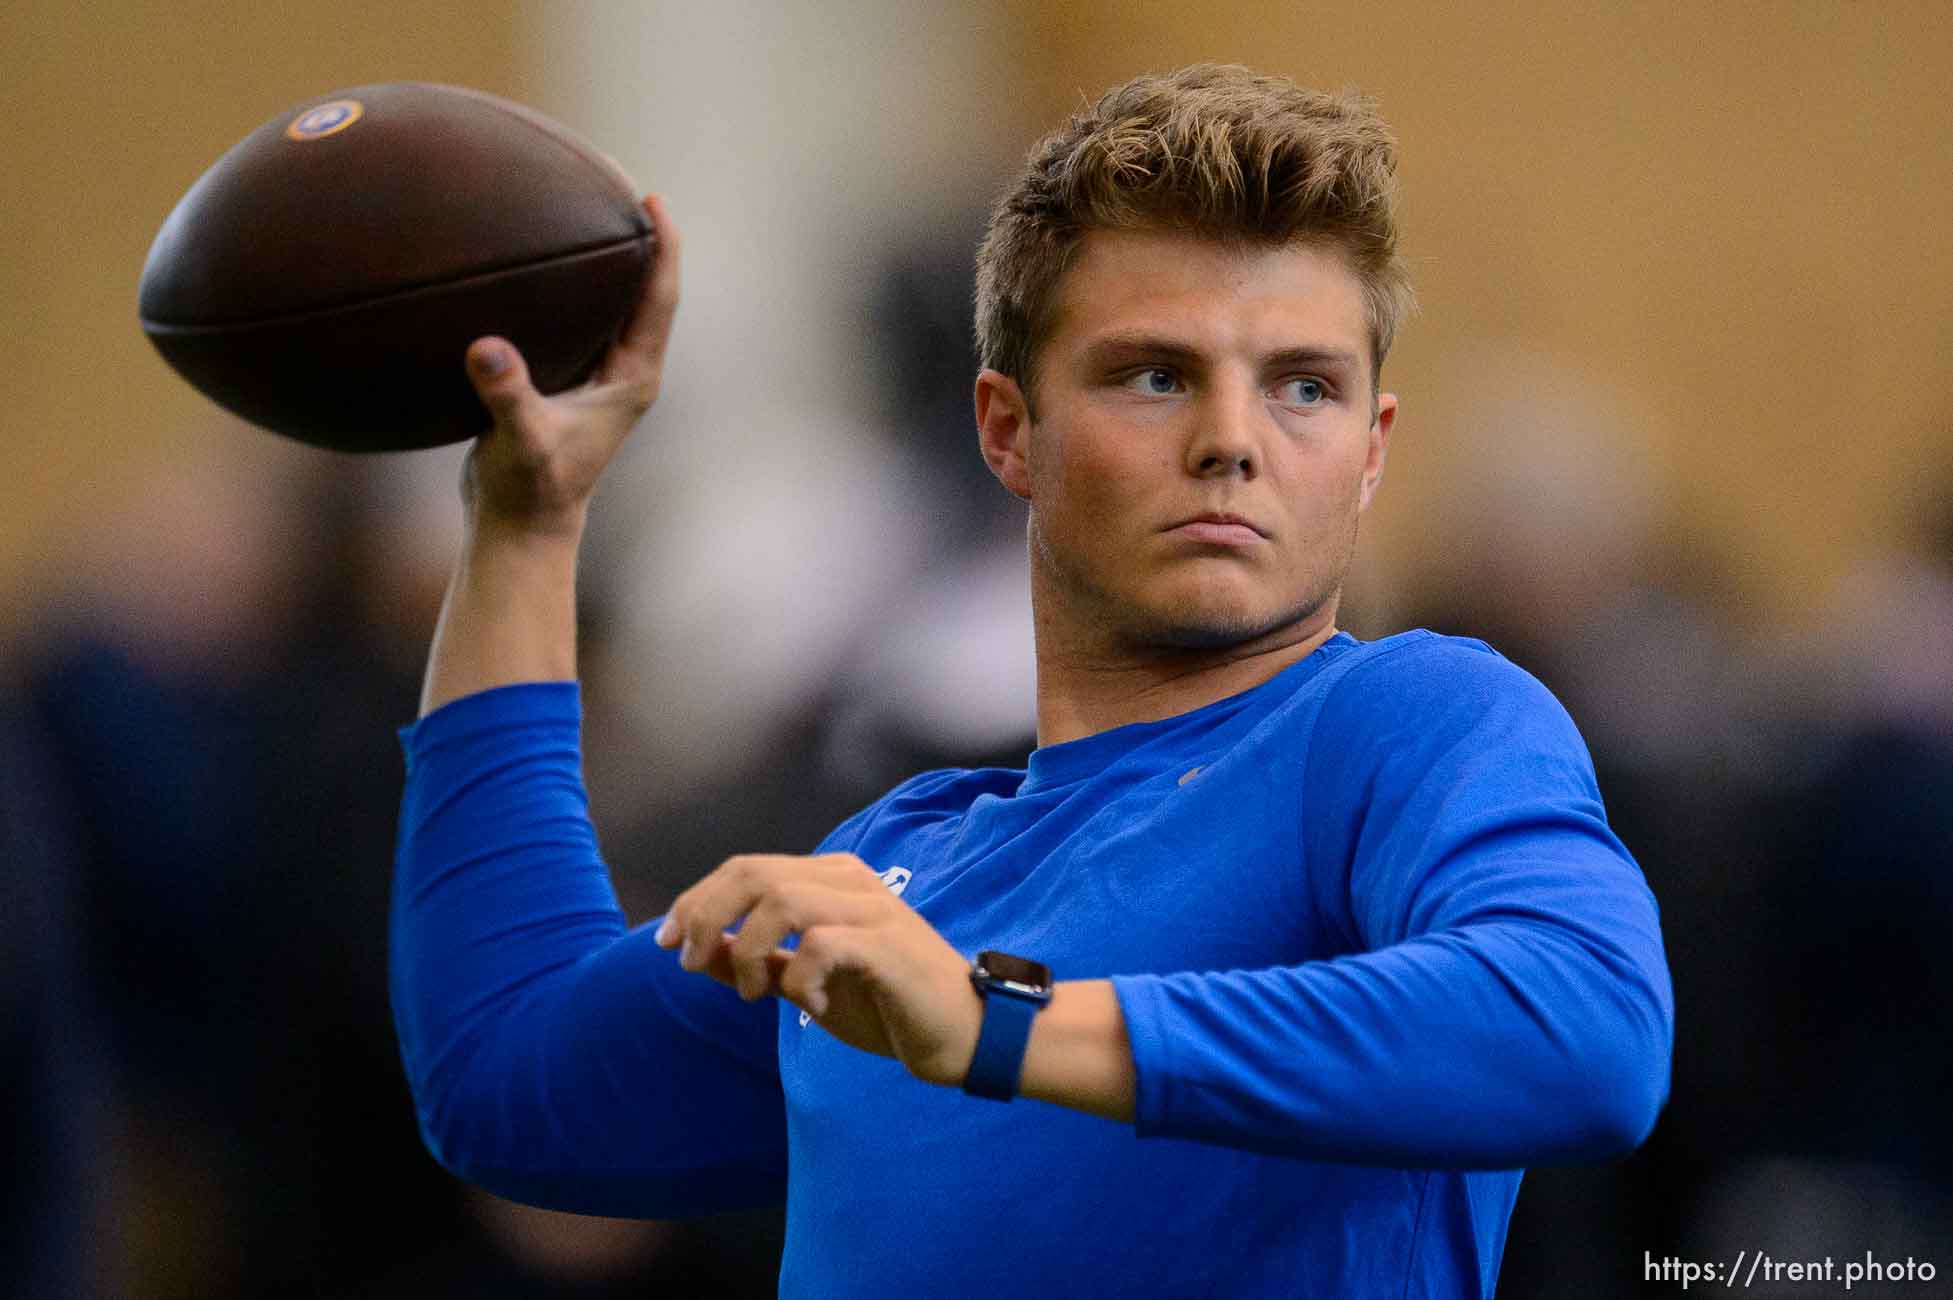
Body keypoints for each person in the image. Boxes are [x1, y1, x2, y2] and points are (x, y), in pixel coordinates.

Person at [391, 64, 1673, 1298]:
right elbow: (507, 1081)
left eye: (1304, 387)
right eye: (1154, 375)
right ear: (1007, 428)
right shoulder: (900, 870)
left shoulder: (1406, 722)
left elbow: (1588, 1025)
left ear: (1372, 450)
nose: (1232, 440)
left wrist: (993, 1022)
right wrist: (523, 522)